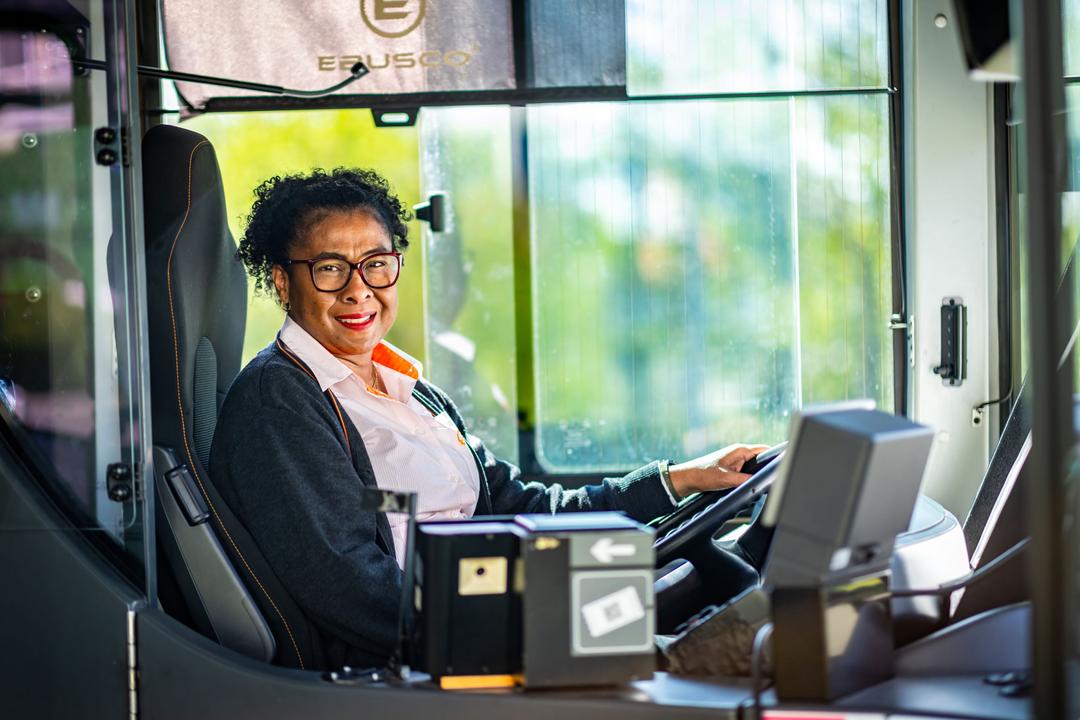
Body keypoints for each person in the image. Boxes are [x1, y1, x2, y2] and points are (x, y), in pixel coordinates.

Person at [210, 168, 766, 670]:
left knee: (732, 591)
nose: (359, 289)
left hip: (485, 613)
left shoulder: (413, 393)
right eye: (330, 269)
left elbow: (521, 507)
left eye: (376, 264)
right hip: (419, 662)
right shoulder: (279, 399)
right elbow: (345, 582)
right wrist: (529, 628)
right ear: (283, 282)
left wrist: (682, 479)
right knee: (741, 645)